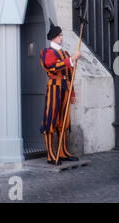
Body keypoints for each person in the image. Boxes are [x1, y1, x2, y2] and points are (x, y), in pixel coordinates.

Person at [40, 20, 81, 165]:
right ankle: (51, 154)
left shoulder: (64, 53)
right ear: (53, 37)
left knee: (64, 121)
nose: (62, 37)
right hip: (54, 87)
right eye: (59, 35)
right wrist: (71, 60)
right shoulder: (47, 52)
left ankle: (63, 152)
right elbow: (52, 67)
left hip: (65, 87)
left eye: (62, 35)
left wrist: (73, 93)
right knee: (51, 119)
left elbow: (70, 73)